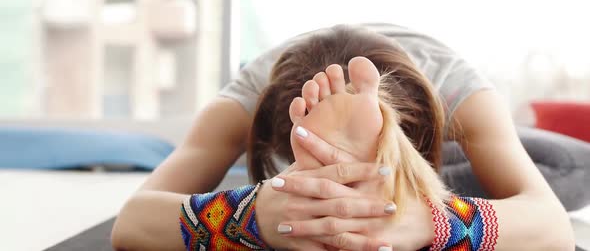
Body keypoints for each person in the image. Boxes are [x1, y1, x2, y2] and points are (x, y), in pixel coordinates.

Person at [111, 24, 576, 250]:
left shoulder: (463, 93)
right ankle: (346, 177)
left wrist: (430, 220)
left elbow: (552, 227)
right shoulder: (246, 101)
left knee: (564, 165)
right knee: (327, 202)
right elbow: (130, 223)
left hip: (443, 144)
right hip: (315, 128)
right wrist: (253, 214)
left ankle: (395, 176)